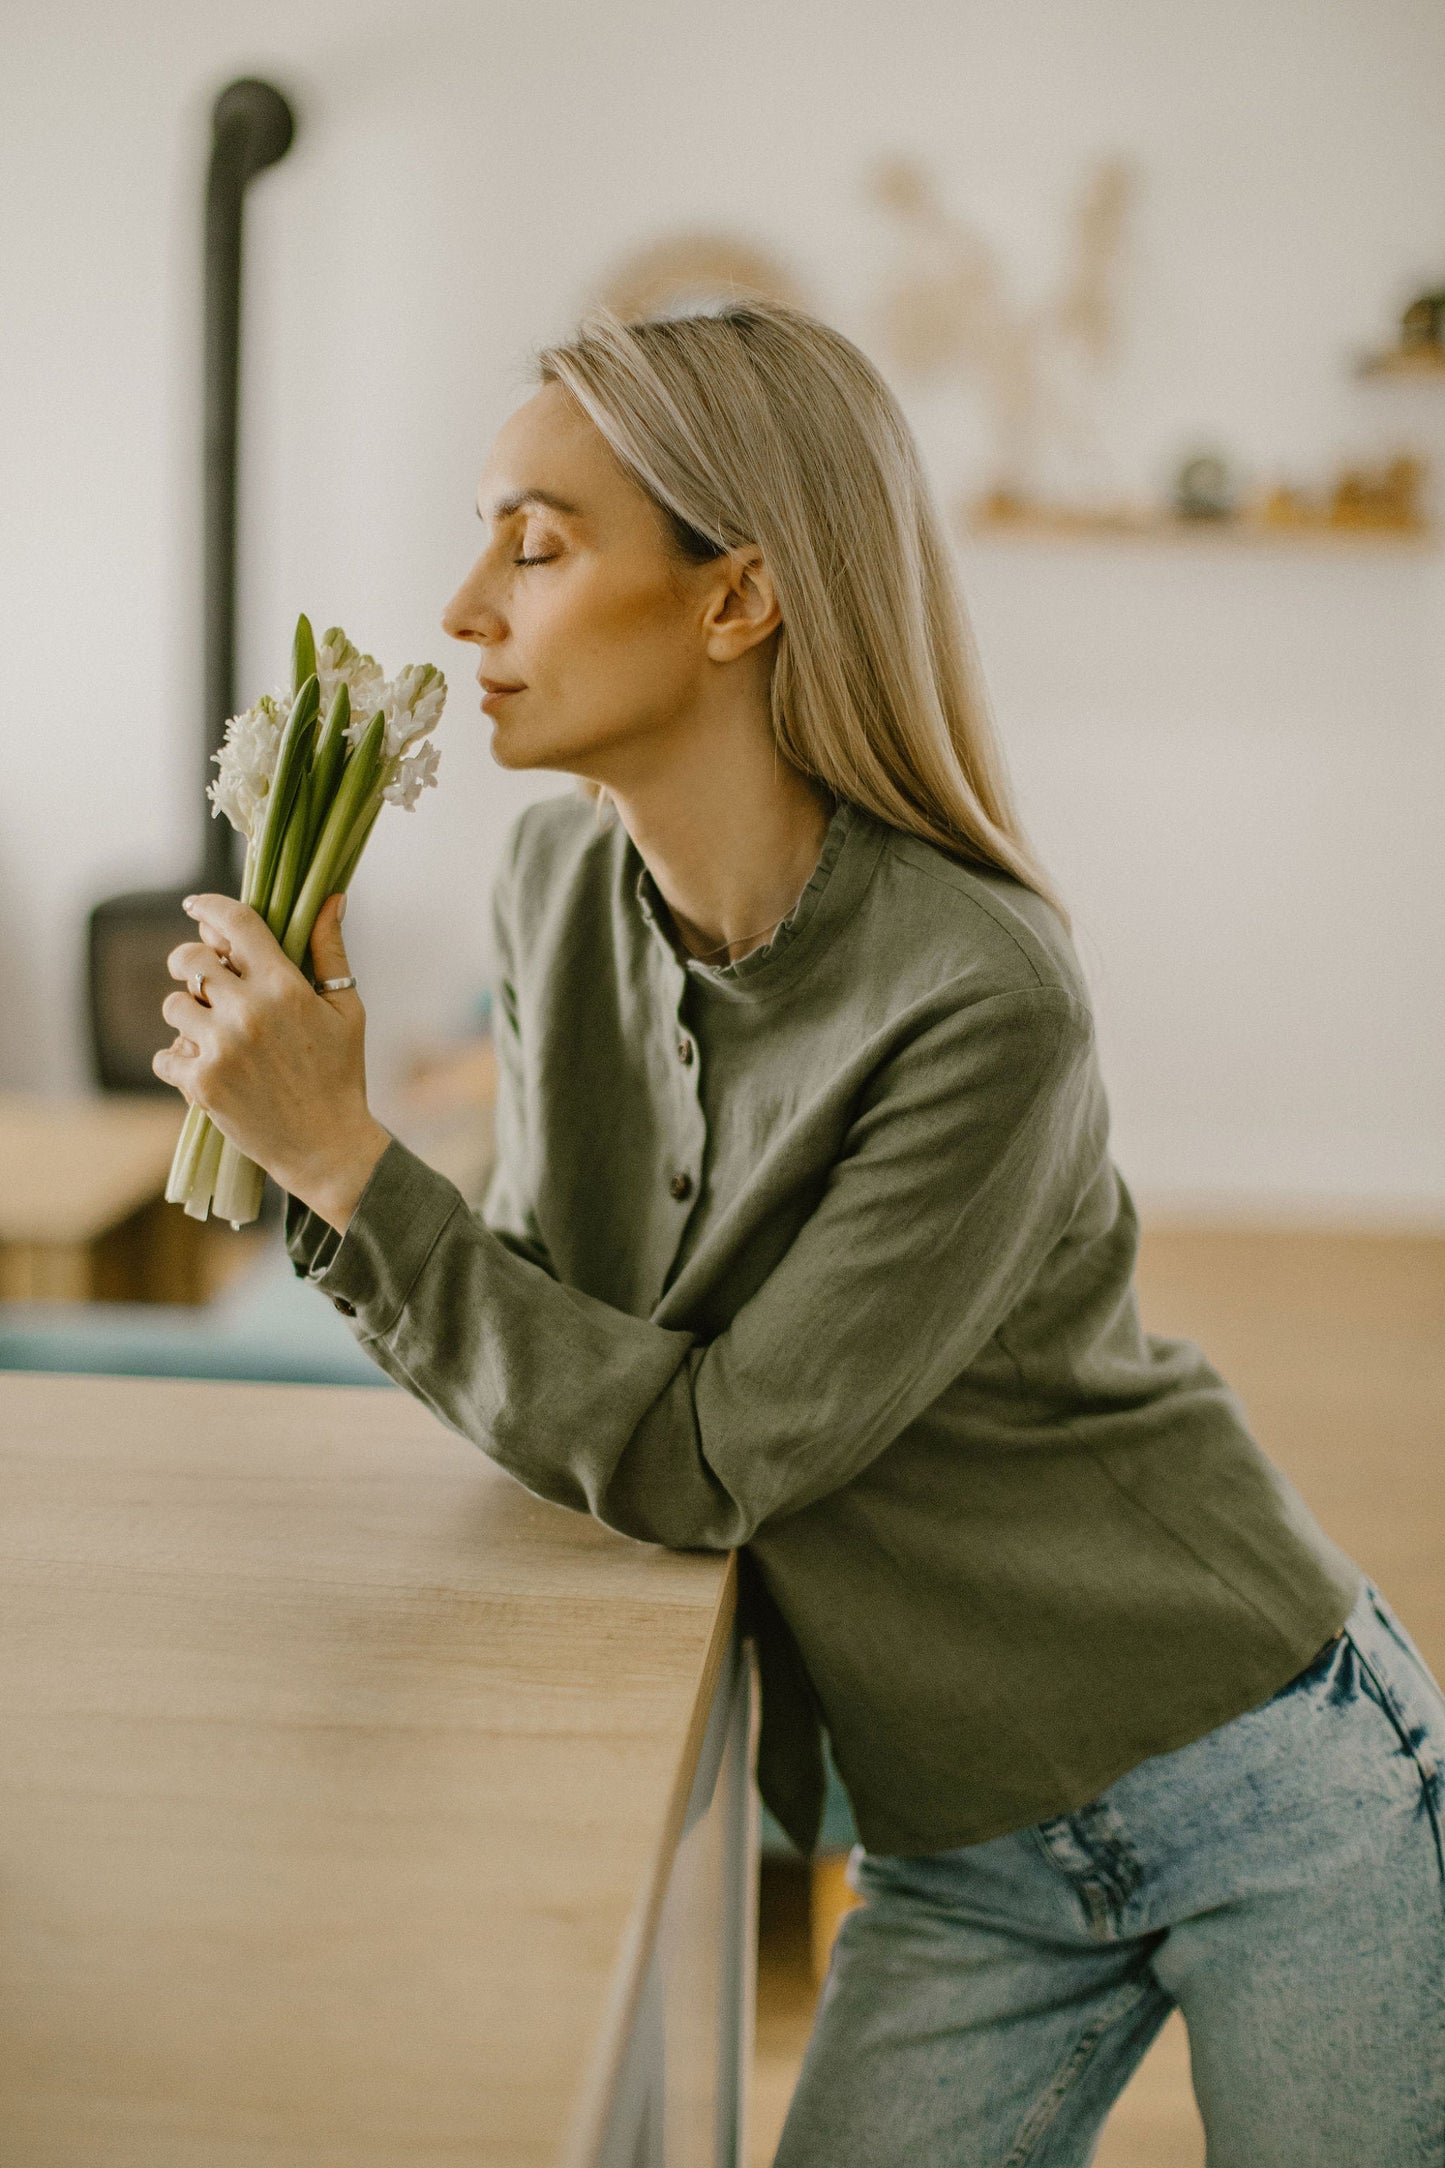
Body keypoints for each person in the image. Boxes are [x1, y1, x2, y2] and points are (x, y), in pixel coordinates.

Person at [156, 302, 1445, 2165]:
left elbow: (703, 1456)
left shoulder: (983, 991)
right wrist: (327, 1141)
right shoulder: (554, 885)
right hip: (956, 1852)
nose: (461, 607)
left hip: (1271, 1779)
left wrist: (351, 1168)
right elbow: (558, 1336)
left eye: (533, 542)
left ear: (736, 597)